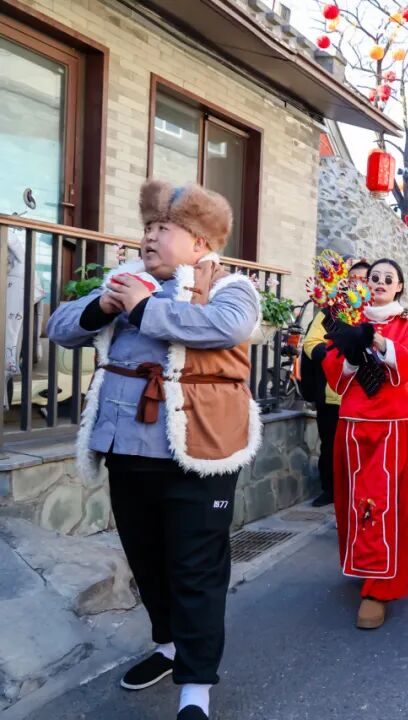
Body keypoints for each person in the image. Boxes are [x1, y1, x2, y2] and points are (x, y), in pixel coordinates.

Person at [47, 180, 261, 720]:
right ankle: (167, 646)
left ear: (199, 241)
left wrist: (143, 308)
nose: (149, 237)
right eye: (147, 227)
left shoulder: (231, 286)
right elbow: (60, 327)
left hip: (201, 452)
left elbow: (227, 326)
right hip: (128, 449)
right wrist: (103, 304)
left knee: (196, 568)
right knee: (147, 559)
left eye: (163, 228)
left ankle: (196, 686)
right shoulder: (125, 283)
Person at [322, 258, 408, 630]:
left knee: (382, 502)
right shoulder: (348, 318)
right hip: (353, 422)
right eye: (374, 278)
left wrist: (378, 342)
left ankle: (380, 586)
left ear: (399, 286)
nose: (379, 283)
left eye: (387, 278)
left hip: (392, 425)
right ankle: (364, 566)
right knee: (354, 500)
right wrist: (351, 353)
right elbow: (333, 370)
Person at [302, 260, 369, 507]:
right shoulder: (330, 312)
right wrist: (335, 356)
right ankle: (329, 489)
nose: (358, 284)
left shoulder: (375, 315)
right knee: (330, 445)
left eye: (364, 279)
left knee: (362, 448)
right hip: (333, 394)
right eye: (354, 279)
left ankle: (359, 493)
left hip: (366, 396)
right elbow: (311, 344)